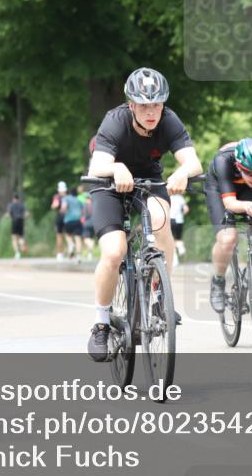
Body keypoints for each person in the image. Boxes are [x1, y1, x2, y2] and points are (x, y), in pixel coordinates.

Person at [86, 67, 202, 361]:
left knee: (161, 222)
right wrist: (116, 168)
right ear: (131, 105)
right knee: (114, 252)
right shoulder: (115, 121)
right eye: (144, 105)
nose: (151, 112)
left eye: (157, 104)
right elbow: (96, 166)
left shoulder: (169, 120)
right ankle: (101, 323)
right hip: (109, 184)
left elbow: (193, 163)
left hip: (149, 181)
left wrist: (182, 173)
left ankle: (160, 297)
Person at [205, 138, 252, 312]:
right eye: (249, 173)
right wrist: (246, 206)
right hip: (219, 187)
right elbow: (230, 204)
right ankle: (218, 281)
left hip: (248, 190)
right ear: (239, 166)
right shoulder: (223, 161)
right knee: (228, 238)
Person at [60, 187, 85, 260]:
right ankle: (79, 256)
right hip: (77, 221)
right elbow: (82, 210)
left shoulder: (66, 198)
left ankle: (71, 244)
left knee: (67, 235)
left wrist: (62, 212)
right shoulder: (79, 200)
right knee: (78, 238)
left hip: (69, 220)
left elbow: (64, 207)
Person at [169, 192, 189, 267]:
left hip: (170, 220)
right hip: (179, 221)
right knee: (178, 238)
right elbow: (186, 209)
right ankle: (180, 246)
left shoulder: (168, 197)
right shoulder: (180, 197)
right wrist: (181, 215)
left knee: (171, 240)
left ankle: (175, 260)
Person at [78, 184, 96, 259]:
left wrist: (81, 222)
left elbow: (82, 216)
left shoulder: (85, 205)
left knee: (86, 239)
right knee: (91, 238)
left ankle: (91, 244)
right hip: (95, 223)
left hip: (87, 223)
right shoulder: (95, 205)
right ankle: (90, 254)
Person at [8, 193, 27, 259]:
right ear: (18, 198)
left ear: (13, 198)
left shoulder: (11, 205)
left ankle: (17, 253)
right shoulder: (22, 205)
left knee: (14, 238)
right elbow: (25, 213)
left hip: (14, 221)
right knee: (20, 236)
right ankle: (22, 244)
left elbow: (9, 214)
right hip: (21, 221)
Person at [51, 182, 67, 260]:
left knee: (59, 236)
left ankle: (60, 254)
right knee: (68, 236)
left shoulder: (57, 196)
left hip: (59, 217)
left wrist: (54, 206)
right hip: (68, 217)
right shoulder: (68, 196)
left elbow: (54, 206)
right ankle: (69, 251)